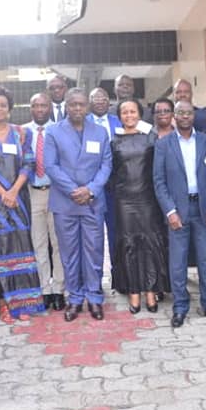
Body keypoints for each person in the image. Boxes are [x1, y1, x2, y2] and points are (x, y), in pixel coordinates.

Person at [0, 85, 45, 323]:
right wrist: (3, 193)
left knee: (21, 246)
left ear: (9, 108)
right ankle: (4, 303)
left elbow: (29, 163)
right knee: (0, 249)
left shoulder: (21, 133)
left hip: (19, 199)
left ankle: (23, 302)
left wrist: (13, 191)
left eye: (3, 105)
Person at [154, 100, 206, 327]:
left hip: (203, 209)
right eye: (180, 112)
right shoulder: (163, 144)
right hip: (178, 210)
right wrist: (170, 211)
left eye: (189, 112)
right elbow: (159, 182)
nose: (185, 116)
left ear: (194, 116)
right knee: (178, 262)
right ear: (174, 116)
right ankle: (180, 307)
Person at [43, 88, 112, 322]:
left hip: (93, 201)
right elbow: (51, 166)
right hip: (65, 202)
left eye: (82, 104)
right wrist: (74, 190)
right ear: (66, 106)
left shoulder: (100, 132)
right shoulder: (53, 132)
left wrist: (90, 190)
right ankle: (74, 298)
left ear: (88, 106)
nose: (77, 108)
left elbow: (106, 165)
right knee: (69, 253)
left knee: (94, 251)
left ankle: (94, 298)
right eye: (73, 104)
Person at [110, 99, 170, 312]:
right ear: (119, 116)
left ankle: (151, 292)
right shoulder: (114, 140)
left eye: (132, 111)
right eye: (124, 112)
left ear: (139, 114)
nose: (129, 115)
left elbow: (159, 169)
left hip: (147, 199)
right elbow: (111, 171)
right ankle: (134, 293)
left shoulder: (151, 137)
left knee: (149, 244)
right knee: (129, 245)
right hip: (124, 200)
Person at [24, 93, 65, 311]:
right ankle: (44, 289)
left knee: (58, 243)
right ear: (30, 108)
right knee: (38, 243)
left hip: (56, 192)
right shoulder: (21, 132)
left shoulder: (60, 130)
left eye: (43, 105)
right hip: (32, 192)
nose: (40, 109)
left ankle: (59, 289)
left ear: (50, 108)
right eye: (35, 105)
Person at [87, 86, 123, 284]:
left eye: (103, 98)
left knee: (117, 232)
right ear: (89, 102)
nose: (100, 101)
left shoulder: (119, 121)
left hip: (116, 187)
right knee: (94, 236)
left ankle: (118, 276)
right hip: (92, 187)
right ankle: (96, 278)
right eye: (95, 98)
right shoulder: (83, 123)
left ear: (109, 102)